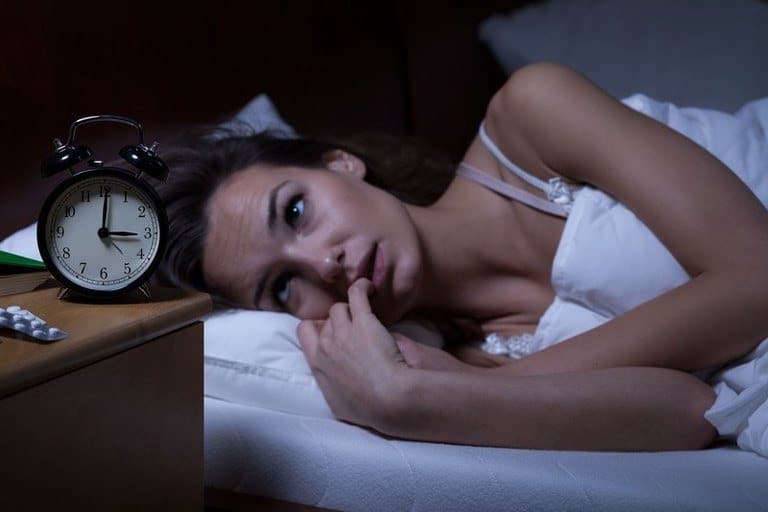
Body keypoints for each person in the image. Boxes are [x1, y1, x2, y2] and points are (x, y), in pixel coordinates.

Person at [157, 62, 768, 453]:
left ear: (340, 161)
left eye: (295, 212)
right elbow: (694, 412)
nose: (323, 264)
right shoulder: (454, 360)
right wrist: (427, 398)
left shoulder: (530, 117)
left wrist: (453, 392)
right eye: (283, 288)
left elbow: (758, 276)